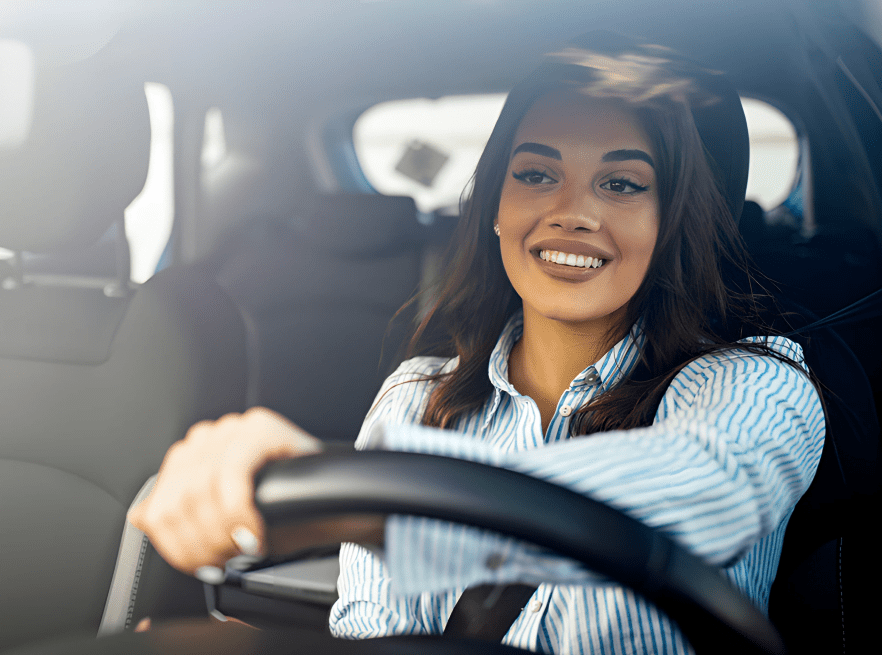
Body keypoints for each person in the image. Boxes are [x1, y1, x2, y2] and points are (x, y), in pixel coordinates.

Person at [129, 39, 825, 654]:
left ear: (669, 220)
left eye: (620, 183)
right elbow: (373, 632)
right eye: (535, 173)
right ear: (495, 205)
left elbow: (708, 491)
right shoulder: (415, 397)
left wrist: (372, 505)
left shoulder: (755, 383)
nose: (571, 213)